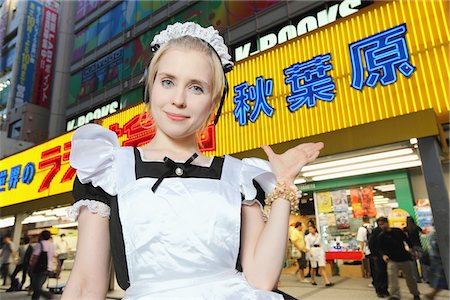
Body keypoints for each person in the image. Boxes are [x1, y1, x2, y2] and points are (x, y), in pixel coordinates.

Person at [61, 22, 324, 299]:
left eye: (196, 88)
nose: (178, 99)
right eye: (167, 82)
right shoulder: (109, 169)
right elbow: (85, 285)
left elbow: (261, 279)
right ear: (150, 87)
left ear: (213, 101)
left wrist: (283, 187)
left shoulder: (240, 176)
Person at [377, 217, 421, 300]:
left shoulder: (398, 231)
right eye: (380, 225)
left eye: (383, 224)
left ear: (387, 223)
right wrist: (383, 255)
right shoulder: (381, 236)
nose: (382, 226)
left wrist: (412, 250)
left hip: (404, 258)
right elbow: (379, 248)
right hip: (392, 260)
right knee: (392, 278)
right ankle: (395, 295)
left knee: (410, 277)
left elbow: (407, 240)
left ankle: (415, 294)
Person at [29, 230, 56, 300]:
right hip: (48, 268)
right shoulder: (52, 245)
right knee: (37, 287)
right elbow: (55, 256)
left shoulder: (39, 244)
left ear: (41, 236)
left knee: (36, 287)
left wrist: (31, 266)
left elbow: (35, 256)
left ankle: (48, 295)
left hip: (39, 269)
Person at [422, 231, 448, 300]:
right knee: (441, 283)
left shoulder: (434, 234)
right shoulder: (439, 234)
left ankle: (430, 296)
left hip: (439, 261)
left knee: (440, 284)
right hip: (442, 262)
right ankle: (430, 296)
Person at [370, 218, 389, 298]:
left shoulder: (387, 231)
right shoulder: (375, 231)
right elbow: (371, 243)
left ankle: (385, 289)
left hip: (386, 254)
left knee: (385, 273)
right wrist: (373, 254)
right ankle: (379, 290)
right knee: (379, 273)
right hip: (377, 255)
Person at [403, 216, 425, 282]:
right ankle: (426, 278)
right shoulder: (416, 227)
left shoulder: (405, 229)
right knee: (422, 262)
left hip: (411, 247)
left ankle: (417, 278)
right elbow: (423, 233)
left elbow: (404, 238)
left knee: (413, 263)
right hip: (418, 245)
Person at [357, 215, 375, 281]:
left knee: (370, 266)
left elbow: (361, 241)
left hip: (367, 250)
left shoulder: (361, 228)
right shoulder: (373, 227)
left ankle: (373, 280)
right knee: (375, 265)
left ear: (362, 220)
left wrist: (362, 251)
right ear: (369, 220)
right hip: (375, 249)